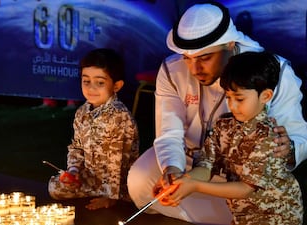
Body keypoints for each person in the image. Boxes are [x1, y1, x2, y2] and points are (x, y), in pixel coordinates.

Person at [127, 2, 307, 224]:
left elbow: (299, 136)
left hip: (247, 178)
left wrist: (288, 149)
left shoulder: (272, 72)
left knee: (250, 206)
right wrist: (174, 173)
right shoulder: (172, 71)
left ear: (230, 44)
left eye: (205, 58)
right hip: (195, 163)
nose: (194, 70)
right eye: (187, 58)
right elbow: (168, 134)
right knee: (139, 183)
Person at [166, 51, 303, 224]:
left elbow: (246, 188)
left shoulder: (269, 137)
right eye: (229, 97)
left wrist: (195, 186)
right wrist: (181, 181)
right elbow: (206, 166)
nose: (232, 105)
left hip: (276, 216)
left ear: (265, 96)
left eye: (239, 98)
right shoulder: (224, 126)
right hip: (243, 215)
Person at [47, 48, 139, 210]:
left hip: (119, 181)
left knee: (127, 190)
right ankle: (94, 190)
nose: (91, 88)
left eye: (100, 82)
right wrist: (74, 171)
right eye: (86, 81)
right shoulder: (82, 112)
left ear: (116, 86)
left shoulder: (118, 115)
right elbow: (77, 147)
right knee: (55, 186)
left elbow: (117, 161)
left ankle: (113, 196)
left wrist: (109, 196)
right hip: (91, 177)